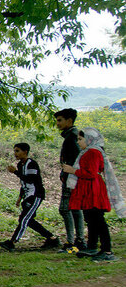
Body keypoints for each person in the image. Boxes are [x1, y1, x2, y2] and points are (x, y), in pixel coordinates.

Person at [62, 128, 125, 262]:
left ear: (89, 139)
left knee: (98, 220)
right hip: (88, 188)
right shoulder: (88, 151)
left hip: (93, 188)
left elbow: (91, 173)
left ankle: (107, 250)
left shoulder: (93, 152)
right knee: (90, 218)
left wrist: (73, 170)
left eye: (80, 139)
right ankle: (92, 247)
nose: (78, 142)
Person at [0, 143, 61, 251]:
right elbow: (23, 182)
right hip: (28, 195)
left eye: (17, 151)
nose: (15, 153)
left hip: (36, 195)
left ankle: (12, 242)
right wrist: (20, 197)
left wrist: (15, 172)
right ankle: (52, 238)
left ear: (25, 152)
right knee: (28, 220)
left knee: (24, 219)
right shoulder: (20, 165)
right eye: (14, 151)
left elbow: (30, 179)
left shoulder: (32, 164)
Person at [54, 108, 85, 252]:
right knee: (75, 209)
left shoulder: (72, 137)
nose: (57, 124)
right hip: (73, 177)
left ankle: (72, 242)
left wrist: (70, 173)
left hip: (72, 178)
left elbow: (78, 159)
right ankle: (79, 240)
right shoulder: (72, 135)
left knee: (65, 209)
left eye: (60, 120)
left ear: (69, 121)